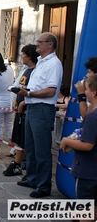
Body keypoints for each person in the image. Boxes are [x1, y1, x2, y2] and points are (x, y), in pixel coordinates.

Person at [16, 32, 63, 198]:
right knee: (31, 146)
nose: (36, 45)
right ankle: (32, 178)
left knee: (42, 149)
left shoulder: (54, 64)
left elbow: (51, 91)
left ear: (50, 44)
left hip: (42, 108)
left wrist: (29, 94)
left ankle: (43, 186)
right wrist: (25, 94)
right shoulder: (41, 63)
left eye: (39, 42)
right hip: (33, 107)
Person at [60, 74, 97, 222]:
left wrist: (67, 141)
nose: (84, 92)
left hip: (88, 170)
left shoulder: (93, 116)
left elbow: (88, 144)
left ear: (93, 92)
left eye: (86, 89)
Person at [3, 44, 39, 176]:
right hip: (19, 109)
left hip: (26, 109)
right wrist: (15, 100)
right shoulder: (26, 71)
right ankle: (17, 162)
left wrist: (23, 103)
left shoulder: (36, 72)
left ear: (29, 56)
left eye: (23, 54)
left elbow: (33, 91)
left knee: (24, 138)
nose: (21, 57)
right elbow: (21, 87)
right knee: (18, 137)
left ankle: (20, 163)